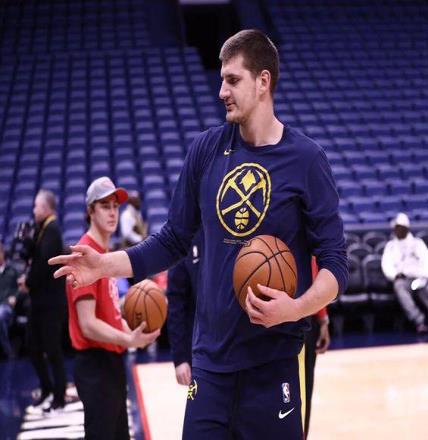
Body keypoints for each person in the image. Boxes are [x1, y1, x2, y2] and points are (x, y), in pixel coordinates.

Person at [50, 29, 348, 439]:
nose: (222, 91)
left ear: (263, 81)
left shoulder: (306, 160)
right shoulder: (205, 150)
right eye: (221, 80)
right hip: (210, 367)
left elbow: (335, 265)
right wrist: (104, 265)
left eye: (233, 80)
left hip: (274, 362)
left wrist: (296, 308)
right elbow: (172, 240)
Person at [66, 177, 159, 439]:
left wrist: (132, 323)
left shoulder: (105, 254)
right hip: (95, 364)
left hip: (112, 363)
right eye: (104, 206)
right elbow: (87, 324)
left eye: (115, 206)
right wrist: (128, 339)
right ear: (90, 211)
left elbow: (107, 312)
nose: (112, 212)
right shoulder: (84, 254)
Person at [20, 189, 67, 413]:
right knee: (33, 347)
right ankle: (47, 388)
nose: (33, 210)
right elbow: (34, 258)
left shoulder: (53, 229)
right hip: (38, 302)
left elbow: (44, 264)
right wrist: (27, 245)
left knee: (53, 350)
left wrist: (28, 282)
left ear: (46, 207)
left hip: (50, 303)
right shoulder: (42, 229)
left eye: (36, 206)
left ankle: (59, 397)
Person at [382, 213, 428, 334]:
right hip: (402, 279)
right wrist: (394, 275)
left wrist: (426, 276)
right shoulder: (390, 246)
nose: (398, 230)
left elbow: (427, 260)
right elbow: (386, 264)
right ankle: (419, 321)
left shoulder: (417, 243)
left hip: (419, 278)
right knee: (399, 287)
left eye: (400, 227)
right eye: (396, 227)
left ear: (406, 228)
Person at [166, 233, 202, 386]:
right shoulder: (184, 241)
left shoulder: (234, 236)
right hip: (199, 350)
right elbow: (176, 304)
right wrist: (180, 357)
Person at [304, 258, 330, 438]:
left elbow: (315, 272)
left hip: (304, 318)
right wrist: (322, 318)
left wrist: (322, 318)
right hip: (302, 317)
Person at [0, 242, 19, 358]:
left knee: (0, 315)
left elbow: (20, 288)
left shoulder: (12, 270)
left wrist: (15, 297)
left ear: (2, 253)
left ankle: (7, 350)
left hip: (6, 305)